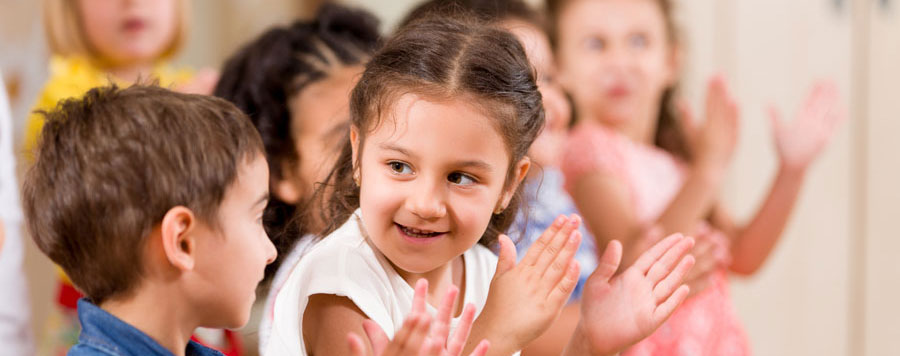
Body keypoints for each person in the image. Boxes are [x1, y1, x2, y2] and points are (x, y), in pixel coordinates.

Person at [266, 15, 696, 356]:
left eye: (460, 177)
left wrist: (592, 343)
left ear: (510, 184)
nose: (426, 203)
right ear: (358, 154)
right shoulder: (339, 284)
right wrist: (494, 334)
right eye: (399, 166)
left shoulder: (484, 272)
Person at [549, 0, 844, 354]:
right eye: (596, 44)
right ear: (559, 66)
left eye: (639, 41)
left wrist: (791, 171)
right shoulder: (586, 150)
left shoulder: (676, 164)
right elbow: (633, 257)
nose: (619, 61)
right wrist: (708, 167)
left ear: (671, 61)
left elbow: (743, 256)